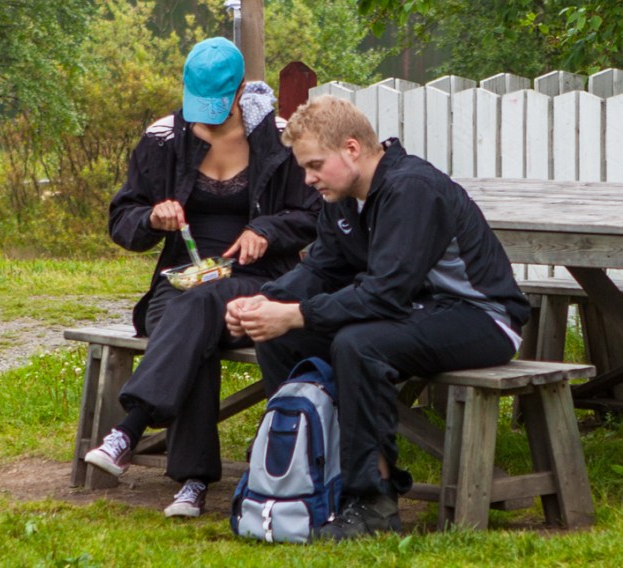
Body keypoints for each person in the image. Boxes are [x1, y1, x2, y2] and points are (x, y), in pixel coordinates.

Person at [225, 95, 530, 540]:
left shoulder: (412, 188)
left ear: (352, 148)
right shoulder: (342, 196)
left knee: (359, 344)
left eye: (314, 166)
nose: (308, 180)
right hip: (415, 312)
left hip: (483, 318)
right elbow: (321, 268)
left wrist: (297, 315)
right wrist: (265, 304)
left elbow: (385, 294)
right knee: (278, 337)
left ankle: (373, 502)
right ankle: (304, 473)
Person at [83, 37, 320, 518]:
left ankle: (131, 427)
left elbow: (313, 211)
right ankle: (191, 482)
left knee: (199, 310)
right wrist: (153, 217)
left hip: (257, 279)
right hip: (181, 279)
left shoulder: (277, 137)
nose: (206, 118)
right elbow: (122, 220)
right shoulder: (163, 139)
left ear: (238, 94)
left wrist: (267, 231)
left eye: (218, 107)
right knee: (193, 324)